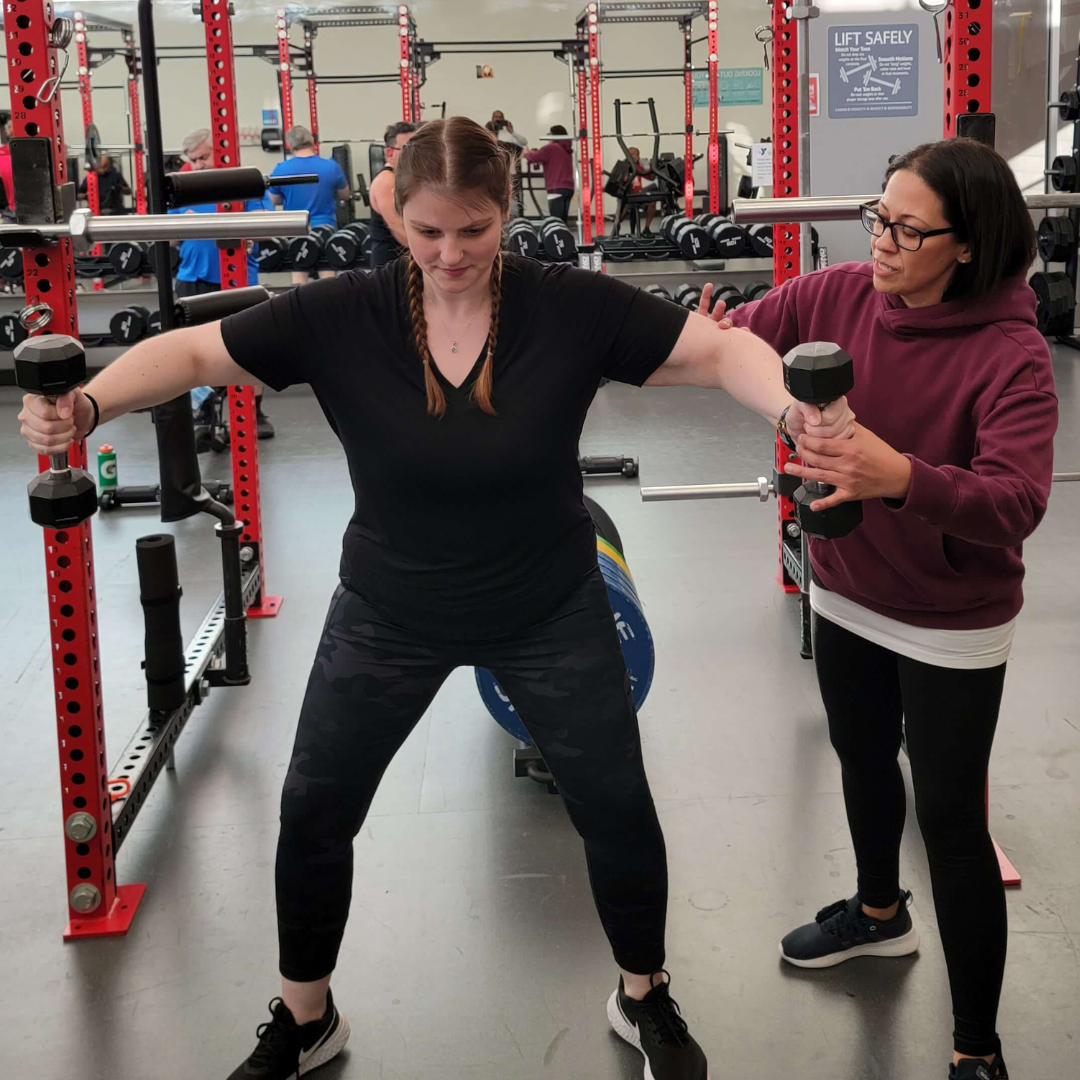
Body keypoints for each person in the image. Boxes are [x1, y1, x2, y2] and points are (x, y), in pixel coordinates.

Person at [18, 116, 852, 1080]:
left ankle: (643, 993)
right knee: (314, 811)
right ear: (397, 215)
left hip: (548, 605)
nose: (451, 254)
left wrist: (792, 409)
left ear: (507, 213)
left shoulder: (566, 305)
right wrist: (88, 407)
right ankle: (306, 1018)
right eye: (428, 232)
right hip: (389, 609)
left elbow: (713, 350)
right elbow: (200, 353)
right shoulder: (344, 312)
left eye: (474, 230)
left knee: (618, 806)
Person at [718, 137, 1056, 1080]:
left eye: (909, 231)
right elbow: (742, 336)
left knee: (950, 820)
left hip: (953, 617)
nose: (881, 242)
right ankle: (878, 915)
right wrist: (709, 333)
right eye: (879, 217)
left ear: (968, 244)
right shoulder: (837, 295)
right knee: (860, 754)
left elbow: (1016, 502)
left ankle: (977, 1047)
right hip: (849, 588)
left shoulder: (1012, 355)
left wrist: (900, 476)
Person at [171, 127, 274, 439]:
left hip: (240, 283)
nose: (198, 165)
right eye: (193, 160)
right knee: (193, 353)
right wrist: (182, 226)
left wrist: (231, 226)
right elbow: (169, 238)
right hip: (192, 280)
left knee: (250, 350)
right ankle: (204, 412)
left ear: (221, 149)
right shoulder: (181, 187)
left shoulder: (245, 182)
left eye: (204, 157)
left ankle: (253, 412)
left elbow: (266, 228)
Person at [268, 125, 350, 285]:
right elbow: (345, 195)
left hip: (295, 229)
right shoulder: (330, 166)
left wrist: (288, 196)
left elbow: (272, 200)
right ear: (312, 141)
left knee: (299, 273)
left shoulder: (281, 169)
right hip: (325, 229)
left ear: (290, 145)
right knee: (327, 274)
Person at [367, 120, 416, 268]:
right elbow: (398, 227)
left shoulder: (404, 178)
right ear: (390, 153)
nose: (413, 154)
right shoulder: (386, 182)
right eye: (406, 149)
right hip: (389, 265)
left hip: (405, 260)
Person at [523, 124, 574, 222]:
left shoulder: (551, 148)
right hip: (568, 188)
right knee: (563, 220)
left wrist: (526, 153)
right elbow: (554, 162)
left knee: (556, 220)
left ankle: (557, 232)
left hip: (555, 188)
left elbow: (534, 157)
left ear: (554, 135)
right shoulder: (566, 149)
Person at [619, 146, 659, 235]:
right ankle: (616, 228)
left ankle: (646, 228)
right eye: (629, 154)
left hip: (639, 196)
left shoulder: (639, 166)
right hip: (627, 197)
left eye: (633, 155)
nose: (631, 157)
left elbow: (652, 178)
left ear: (638, 156)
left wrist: (652, 167)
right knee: (620, 217)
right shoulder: (623, 166)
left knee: (652, 202)